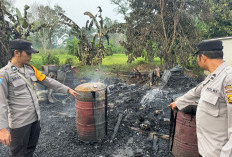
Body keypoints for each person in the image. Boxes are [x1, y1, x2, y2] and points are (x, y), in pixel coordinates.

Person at [0, 39, 79, 157]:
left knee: (30, 151)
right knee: (18, 154)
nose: (31, 56)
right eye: (28, 53)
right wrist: (2, 128)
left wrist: (66, 89)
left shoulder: (31, 69)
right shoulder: (4, 74)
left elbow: (47, 81)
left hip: (35, 120)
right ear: (17, 52)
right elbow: (1, 103)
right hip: (20, 125)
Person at [169, 40, 232, 157]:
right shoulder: (212, 77)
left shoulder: (228, 79)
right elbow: (195, 92)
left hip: (219, 153)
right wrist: (178, 102)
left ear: (203, 57)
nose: (197, 60)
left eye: (197, 57)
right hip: (206, 149)